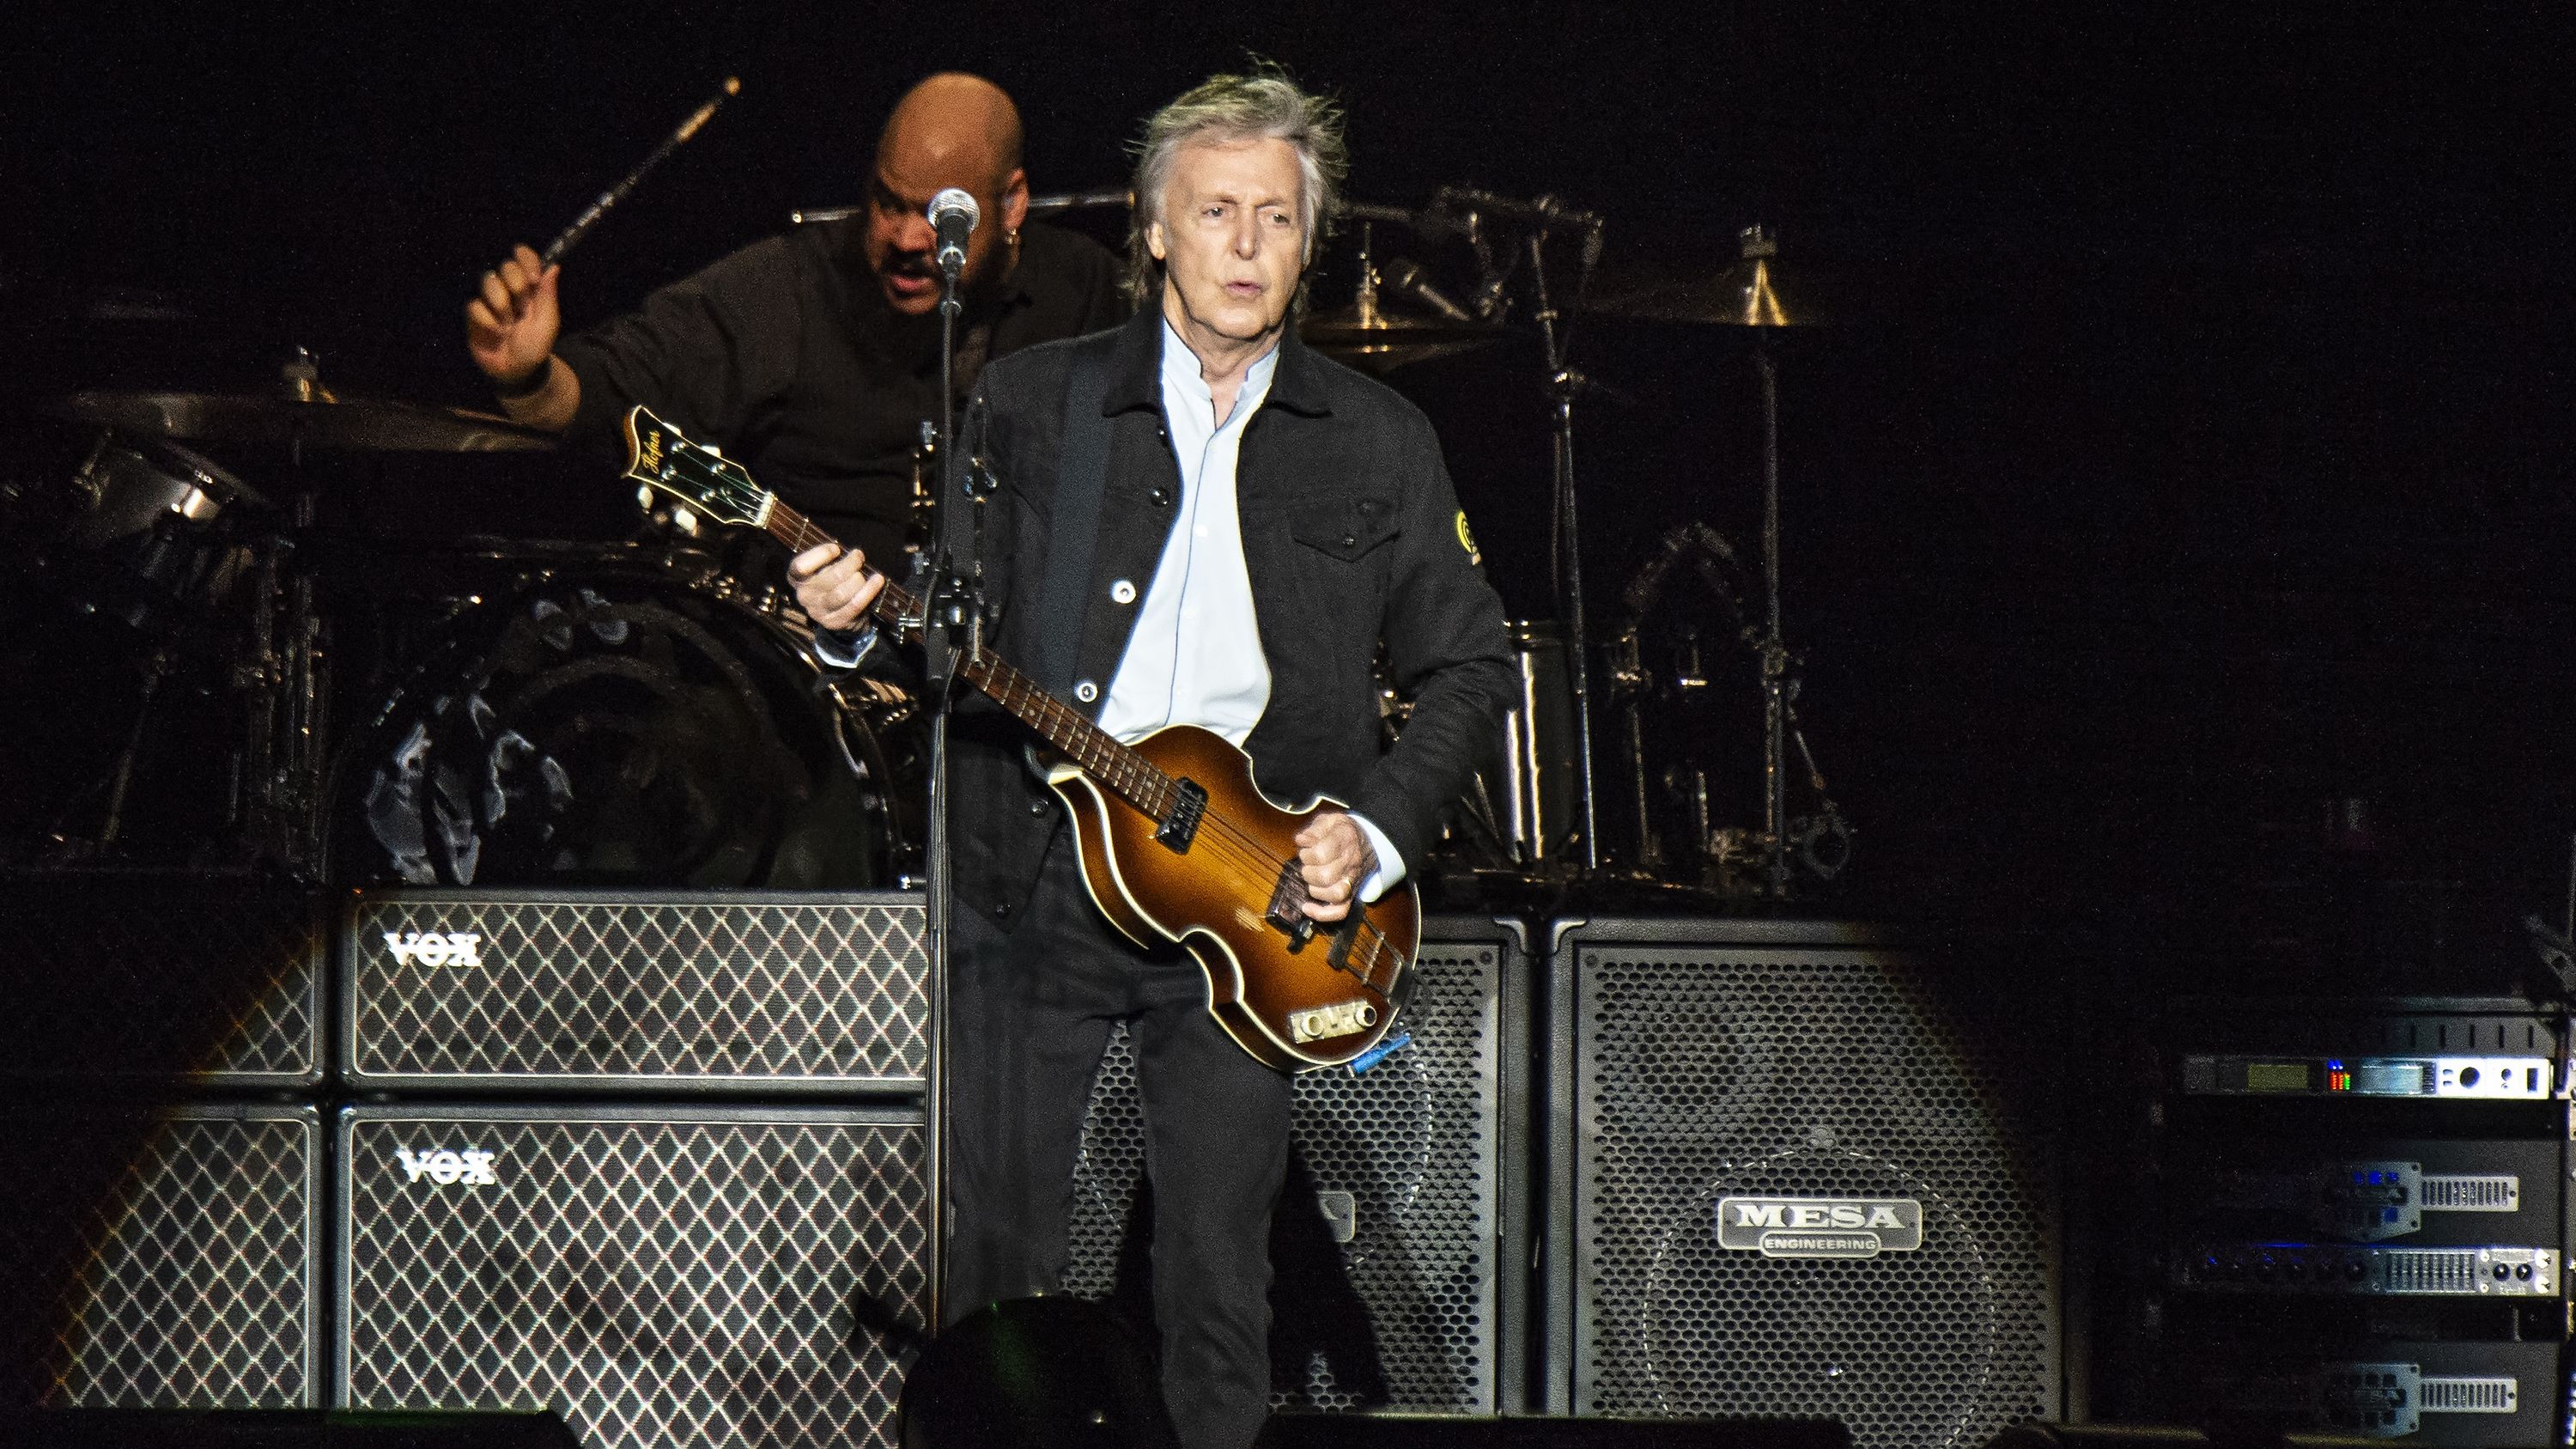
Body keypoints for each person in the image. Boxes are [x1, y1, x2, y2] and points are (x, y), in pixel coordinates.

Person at [788, 68, 1516, 1448]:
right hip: (1031, 885)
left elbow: (1471, 662)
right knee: (991, 1278)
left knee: (1218, 1290)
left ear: (1312, 241)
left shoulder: (1379, 440)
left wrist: (1369, 826)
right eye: (1217, 213)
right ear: (1154, 231)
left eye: (1279, 218)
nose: (1248, 245)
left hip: (1250, 904)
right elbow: (943, 637)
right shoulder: (1030, 403)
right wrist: (849, 628)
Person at [465, 71, 1125, 570]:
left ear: (1012, 204)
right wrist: (531, 380)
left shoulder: (1084, 289)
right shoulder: (790, 289)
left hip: (1020, 689)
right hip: (815, 686)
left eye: (938, 215)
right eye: (887, 202)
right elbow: (625, 384)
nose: (904, 237)